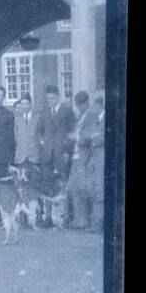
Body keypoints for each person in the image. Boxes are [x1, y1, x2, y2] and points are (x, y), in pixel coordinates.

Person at [65, 91, 98, 229]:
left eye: (81, 105)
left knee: (84, 189)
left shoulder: (92, 116)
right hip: (75, 158)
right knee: (72, 189)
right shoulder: (80, 117)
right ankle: (78, 220)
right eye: (78, 105)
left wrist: (75, 138)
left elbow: (90, 137)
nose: (79, 108)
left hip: (84, 158)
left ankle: (85, 220)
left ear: (86, 103)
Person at [37, 84, 75, 173]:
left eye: (52, 98)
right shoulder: (44, 112)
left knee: (60, 181)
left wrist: (66, 147)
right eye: (48, 98)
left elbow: (72, 130)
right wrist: (41, 141)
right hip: (46, 154)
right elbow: (39, 130)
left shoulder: (67, 111)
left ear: (58, 96)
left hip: (61, 153)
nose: (50, 101)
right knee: (46, 181)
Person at [87, 95, 105, 232]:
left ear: (99, 106)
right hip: (93, 157)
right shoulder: (95, 120)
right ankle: (95, 222)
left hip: (101, 157)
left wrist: (95, 138)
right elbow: (89, 136)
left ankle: (98, 224)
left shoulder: (104, 119)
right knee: (93, 188)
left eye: (94, 106)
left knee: (99, 189)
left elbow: (102, 138)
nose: (92, 109)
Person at [13, 93, 41, 170]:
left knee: (34, 180)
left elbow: (39, 136)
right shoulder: (17, 119)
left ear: (30, 104)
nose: (24, 107)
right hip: (21, 158)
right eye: (22, 104)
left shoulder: (38, 118)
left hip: (34, 157)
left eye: (26, 104)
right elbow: (16, 137)